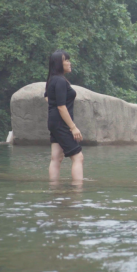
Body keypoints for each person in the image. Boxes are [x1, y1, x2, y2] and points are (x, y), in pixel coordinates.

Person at [45, 50, 84, 183]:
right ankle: (77, 191)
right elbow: (61, 107)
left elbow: (47, 98)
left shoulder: (52, 79)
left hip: (53, 121)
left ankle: (54, 188)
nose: (69, 63)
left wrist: (54, 107)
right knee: (78, 157)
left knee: (56, 157)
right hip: (61, 122)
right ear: (58, 64)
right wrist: (73, 127)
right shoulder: (60, 81)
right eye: (66, 60)